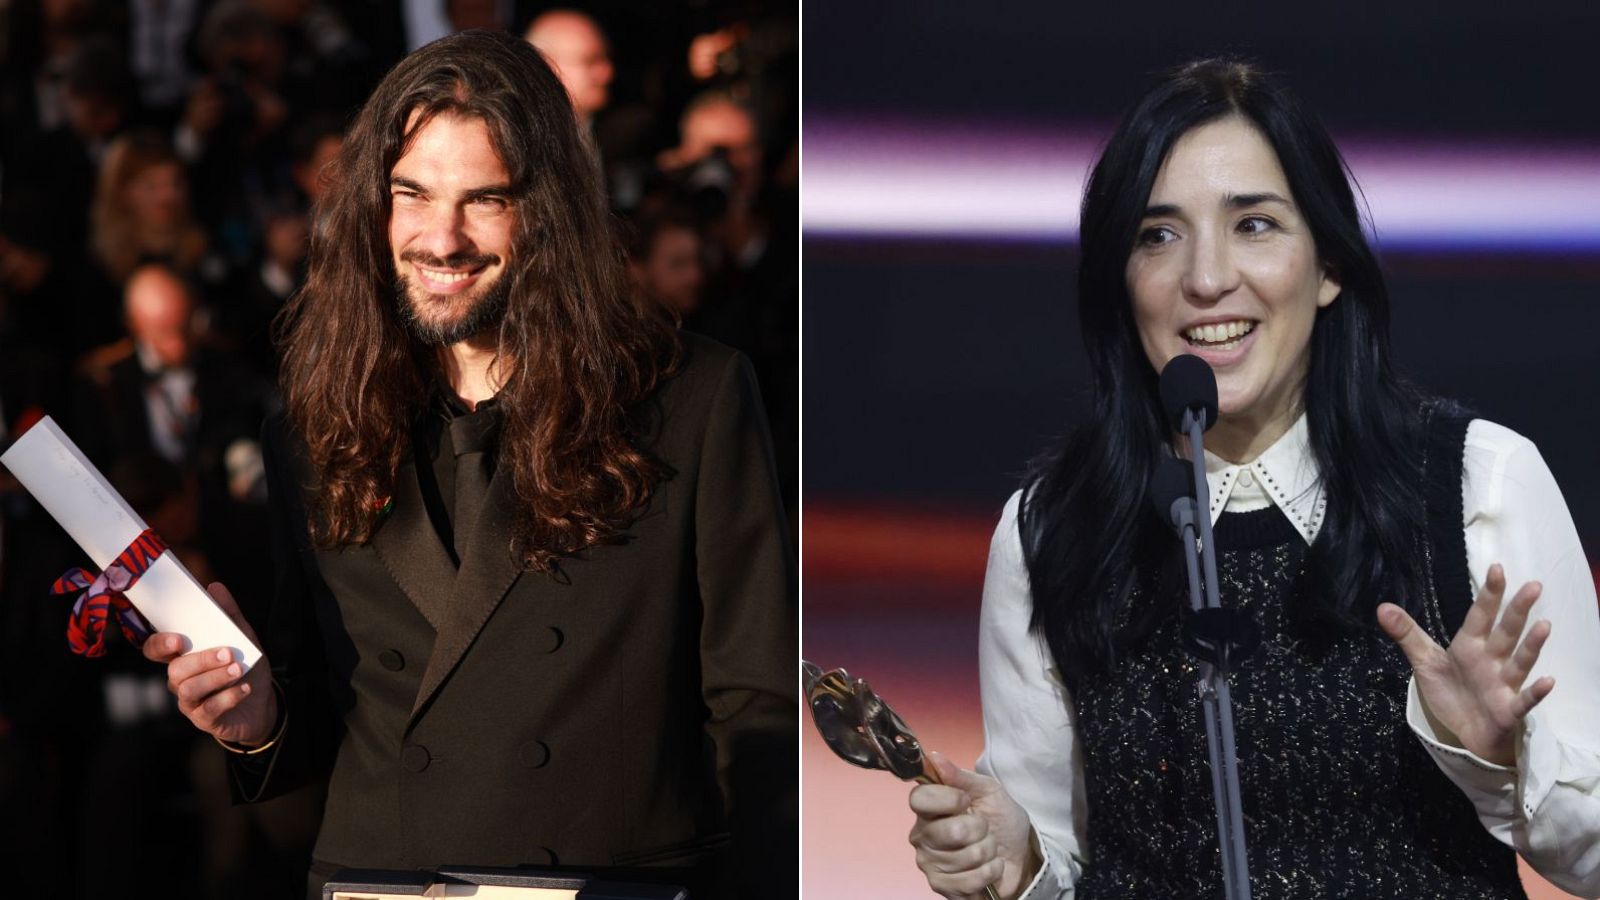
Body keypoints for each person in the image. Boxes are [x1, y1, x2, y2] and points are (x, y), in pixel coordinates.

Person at [907, 59, 1600, 899]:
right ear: (1121, 284)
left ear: (1330, 265)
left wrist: (1494, 761)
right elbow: (1060, 849)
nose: (1206, 278)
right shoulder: (1053, 529)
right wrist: (1019, 863)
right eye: (1157, 236)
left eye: (1255, 225)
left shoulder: (1473, 485)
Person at [141, 29, 795, 899]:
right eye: (411, 194)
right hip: (381, 883)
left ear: (551, 212)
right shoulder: (309, 428)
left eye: (484, 200)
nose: (439, 240)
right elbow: (323, 711)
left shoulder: (694, 401)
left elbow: (758, 712)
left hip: (610, 885)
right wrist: (256, 719)